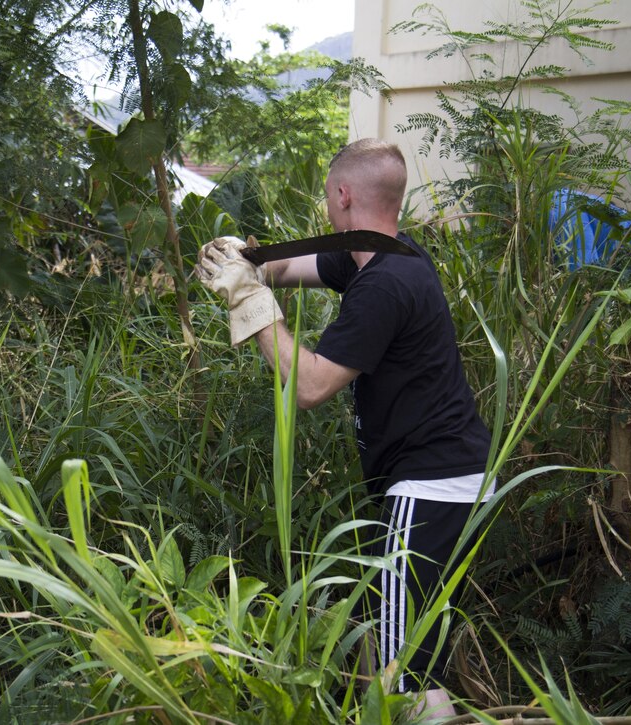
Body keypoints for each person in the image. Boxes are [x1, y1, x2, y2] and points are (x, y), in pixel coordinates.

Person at [194, 139, 494, 719]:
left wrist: (248, 304)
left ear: (342, 194)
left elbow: (308, 386)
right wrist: (246, 260)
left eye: (327, 194)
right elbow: (284, 268)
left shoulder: (385, 284)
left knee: (403, 667)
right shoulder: (378, 254)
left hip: (429, 485)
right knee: (411, 652)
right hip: (448, 479)